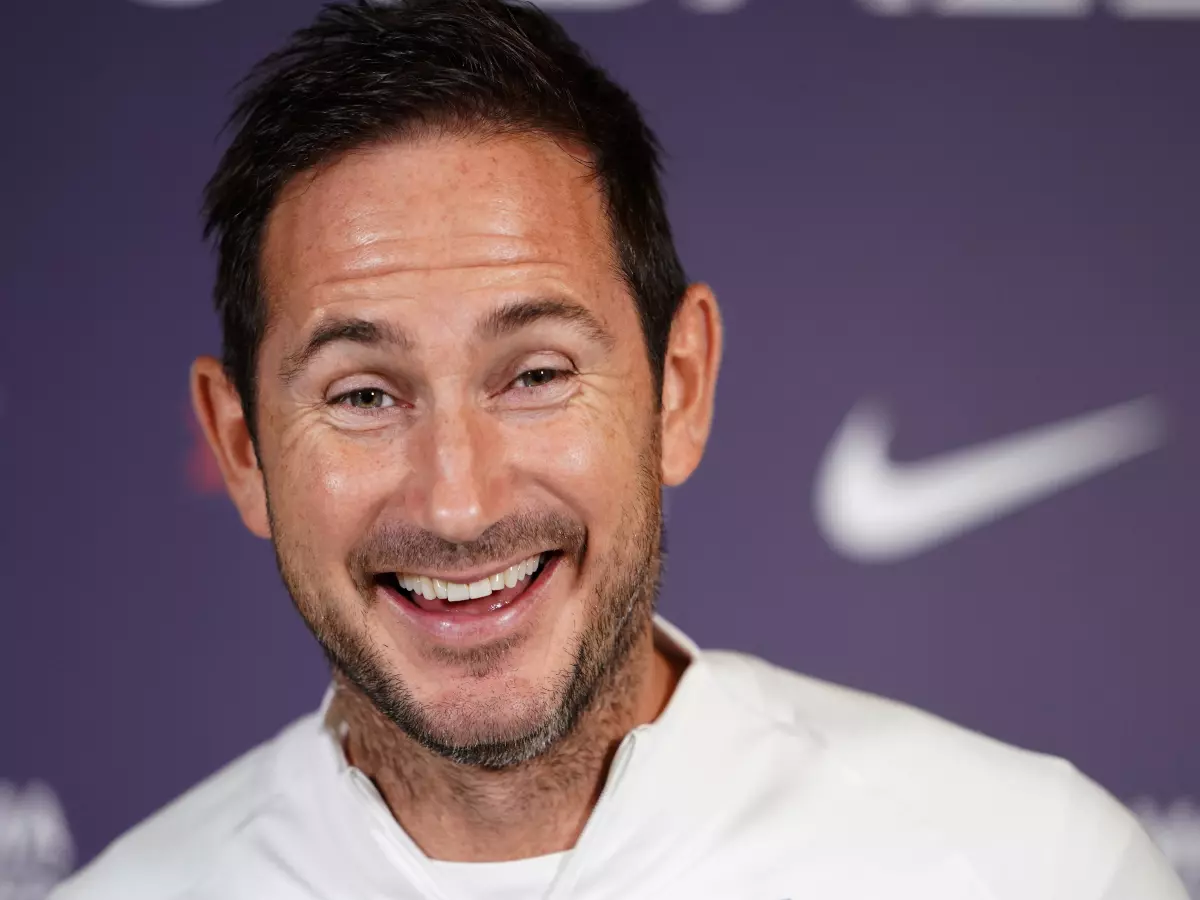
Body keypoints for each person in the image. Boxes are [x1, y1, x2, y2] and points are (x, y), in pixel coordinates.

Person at [51, 1, 1186, 898]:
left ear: (677, 389)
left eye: (536, 374)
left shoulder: (1032, 870)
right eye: (361, 394)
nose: (457, 501)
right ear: (241, 447)